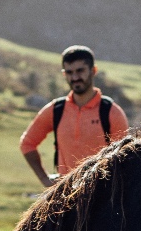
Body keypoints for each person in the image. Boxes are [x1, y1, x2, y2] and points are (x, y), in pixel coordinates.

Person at [18, 45, 129, 187]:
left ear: (93, 71)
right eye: (69, 72)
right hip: (65, 197)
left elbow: (125, 160)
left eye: (80, 71)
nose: (75, 77)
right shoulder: (56, 110)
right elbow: (27, 143)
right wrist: (44, 179)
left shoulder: (111, 112)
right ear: (64, 74)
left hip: (102, 197)